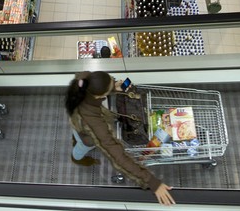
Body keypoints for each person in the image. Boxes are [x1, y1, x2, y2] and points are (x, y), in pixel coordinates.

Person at [66, 71, 175, 206]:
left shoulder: (85, 82)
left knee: (77, 132)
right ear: (99, 95)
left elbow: (100, 86)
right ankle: (77, 157)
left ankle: (76, 137)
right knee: (82, 146)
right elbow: (117, 155)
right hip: (87, 136)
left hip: (77, 121)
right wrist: (152, 182)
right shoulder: (93, 121)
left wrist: (113, 87)